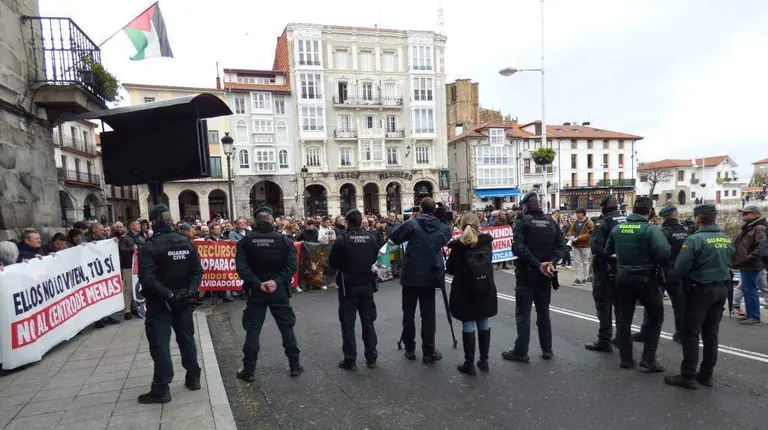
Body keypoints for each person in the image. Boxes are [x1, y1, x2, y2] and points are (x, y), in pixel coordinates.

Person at [664, 205, 735, 389]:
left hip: (699, 291)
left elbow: (681, 267)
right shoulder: (725, 238)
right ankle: (706, 375)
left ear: (697, 219)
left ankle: (687, 375)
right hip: (722, 289)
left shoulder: (694, 240)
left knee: (690, 333)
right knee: (711, 334)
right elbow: (732, 260)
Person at [137, 205, 203, 404]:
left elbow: (147, 279)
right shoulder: (186, 242)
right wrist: (189, 292)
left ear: (155, 221)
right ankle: (193, 378)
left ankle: (161, 389)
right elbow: (197, 272)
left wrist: (170, 294)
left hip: (161, 303)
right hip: (183, 300)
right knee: (186, 339)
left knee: (160, 344)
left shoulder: (150, 246)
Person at [235, 206, 302, 381]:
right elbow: (292, 266)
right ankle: (294, 365)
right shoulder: (283, 240)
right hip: (278, 290)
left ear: (255, 222)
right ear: (272, 221)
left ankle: (248, 370)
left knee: (253, 329)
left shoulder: (246, 241)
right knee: (286, 327)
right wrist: (276, 282)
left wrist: (259, 283)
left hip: (256, 291)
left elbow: (242, 269)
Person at [604, 197, 670, 371]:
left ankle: (626, 359)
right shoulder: (651, 229)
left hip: (623, 277)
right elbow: (664, 253)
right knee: (656, 317)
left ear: (633, 210)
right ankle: (648, 358)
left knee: (623, 318)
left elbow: (607, 251)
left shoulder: (618, 228)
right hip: (646, 279)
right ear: (649, 212)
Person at [501, 192, 567, 363]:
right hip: (546, 273)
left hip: (527, 273)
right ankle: (547, 349)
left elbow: (518, 247)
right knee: (543, 311)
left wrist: (537, 264)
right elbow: (561, 245)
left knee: (523, 313)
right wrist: (550, 262)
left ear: (525, 206)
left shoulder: (522, 221)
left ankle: (520, 351)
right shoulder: (550, 221)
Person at [390, 197, 452, 363]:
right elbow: (447, 236)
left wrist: (409, 220)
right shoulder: (441, 225)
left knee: (408, 314)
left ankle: (410, 348)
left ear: (420, 209)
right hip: (430, 274)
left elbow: (395, 237)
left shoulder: (412, 223)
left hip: (411, 274)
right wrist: (443, 217)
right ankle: (428, 350)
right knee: (428, 315)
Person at [329, 209, 380, 371]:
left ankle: (350, 359)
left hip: (348, 285)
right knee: (368, 321)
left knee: (348, 323)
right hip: (366, 282)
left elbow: (333, 262)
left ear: (347, 222)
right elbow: (373, 257)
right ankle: (371, 356)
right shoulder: (370, 238)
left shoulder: (342, 240)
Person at [446, 213, 497, 375]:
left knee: (468, 323)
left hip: (464, 290)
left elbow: (451, 269)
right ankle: (484, 360)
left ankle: (469, 363)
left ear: (461, 226)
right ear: (478, 224)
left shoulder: (458, 246)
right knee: (483, 321)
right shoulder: (487, 242)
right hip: (484, 287)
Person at [634, 204, 688, 343]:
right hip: (680, 271)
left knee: (652, 303)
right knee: (680, 305)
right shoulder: (686, 231)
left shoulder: (662, 232)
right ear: (675, 214)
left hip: (662, 271)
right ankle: (681, 334)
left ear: (664, 216)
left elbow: (656, 251)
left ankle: (645, 332)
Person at [585, 194, 627, 353]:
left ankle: (604, 340)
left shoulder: (602, 223)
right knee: (621, 306)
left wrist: (608, 256)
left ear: (603, 207)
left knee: (603, 305)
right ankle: (622, 338)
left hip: (605, 270)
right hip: (623, 270)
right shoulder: (626, 220)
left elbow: (596, 247)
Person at [732, 205, 767, 325]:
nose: (743, 215)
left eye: (746, 213)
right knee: (747, 290)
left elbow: (761, 246)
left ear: (755, 214)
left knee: (751, 290)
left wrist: (749, 258)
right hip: (746, 263)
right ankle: (750, 314)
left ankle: (755, 317)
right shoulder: (751, 227)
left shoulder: (759, 227)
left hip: (751, 264)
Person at [118, 221, 146, 320]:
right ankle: (127, 310)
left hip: (140, 267)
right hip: (128, 266)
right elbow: (121, 251)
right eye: (138, 225)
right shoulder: (124, 238)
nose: (140, 226)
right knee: (128, 289)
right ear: (132, 226)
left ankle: (136, 307)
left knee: (138, 287)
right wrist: (131, 249)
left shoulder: (141, 237)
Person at [567, 208, 594, 285]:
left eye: (578, 213)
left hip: (585, 245)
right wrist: (569, 236)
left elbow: (590, 234)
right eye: (576, 213)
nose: (577, 215)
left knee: (585, 262)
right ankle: (578, 278)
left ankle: (585, 278)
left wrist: (578, 238)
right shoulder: (576, 221)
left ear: (583, 213)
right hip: (575, 245)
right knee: (577, 262)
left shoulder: (589, 222)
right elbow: (571, 230)